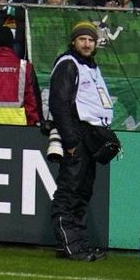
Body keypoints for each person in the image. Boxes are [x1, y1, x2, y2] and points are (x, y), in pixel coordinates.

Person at [47, 22, 116, 261]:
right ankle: (69, 245)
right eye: (82, 39)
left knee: (82, 191)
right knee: (70, 191)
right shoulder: (68, 63)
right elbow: (59, 103)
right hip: (77, 133)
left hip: (91, 135)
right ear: (73, 42)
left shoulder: (90, 66)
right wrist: (71, 139)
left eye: (91, 40)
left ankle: (78, 243)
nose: (87, 44)